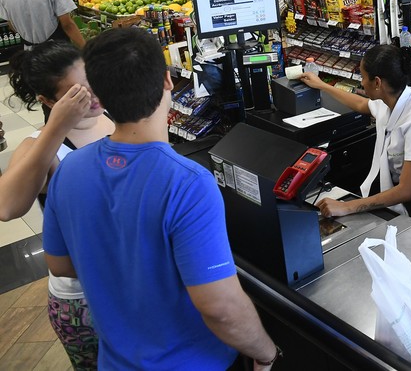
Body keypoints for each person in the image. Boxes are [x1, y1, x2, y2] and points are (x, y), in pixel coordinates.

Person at [43, 28, 278, 370]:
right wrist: (266, 351)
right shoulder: (188, 183)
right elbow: (220, 307)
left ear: (100, 95)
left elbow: (60, 265)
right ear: (168, 81)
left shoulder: (70, 169)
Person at [4, 42, 115, 369]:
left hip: (130, 279)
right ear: (48, 101)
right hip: (83, 299)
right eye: (78, 94)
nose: (93, 97)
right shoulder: (41, 147)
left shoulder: (113, 118)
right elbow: (7, 207)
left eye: (93, 83)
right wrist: (56, 127)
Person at [299, 43, 411, 220]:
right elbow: (361, 104)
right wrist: (323, 86)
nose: (361, 82)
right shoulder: (392, 98)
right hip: (389, 187)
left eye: (363, 76)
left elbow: (406, 191)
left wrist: (346, 207)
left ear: (377, 82)